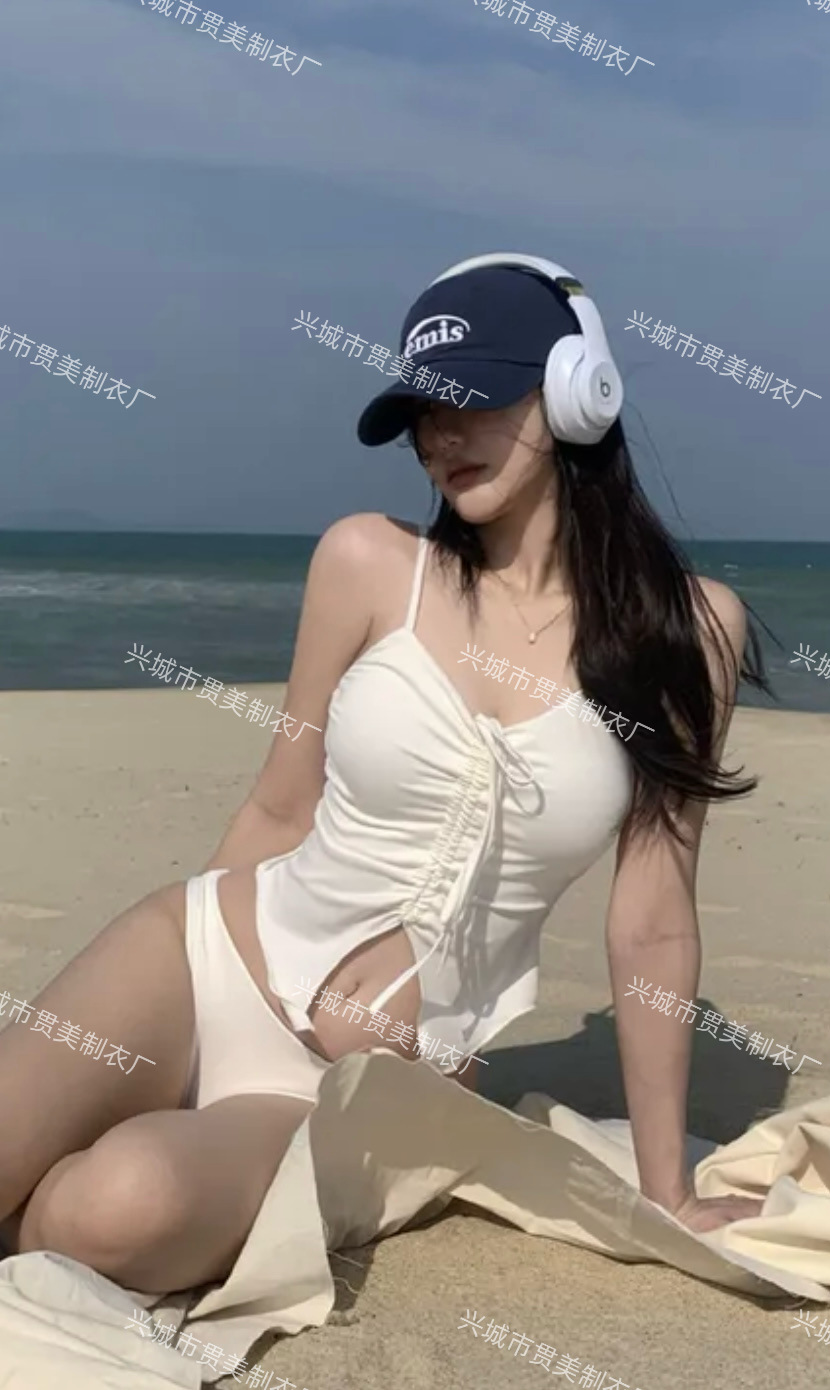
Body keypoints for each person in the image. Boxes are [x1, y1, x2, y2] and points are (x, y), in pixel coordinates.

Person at [0, 253, 773, 1298]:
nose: (440, 436)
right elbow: (281, 802)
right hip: (203, 956)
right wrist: (176, 1048)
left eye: (472, 400)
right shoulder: (367, 563)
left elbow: (653, 922)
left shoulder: (691, 632)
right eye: (421, 413)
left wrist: (666, 1187)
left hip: (370, 1095)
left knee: (110, 1213)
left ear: (575, 395)